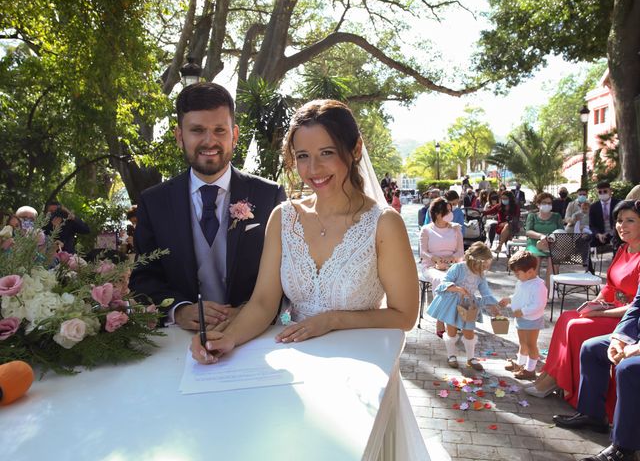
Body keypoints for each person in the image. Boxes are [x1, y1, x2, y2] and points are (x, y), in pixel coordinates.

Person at [190, 99, 418, 364]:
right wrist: (228, 339)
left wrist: (332, 321)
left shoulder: (384, 224)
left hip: (360, 364)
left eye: (327, 153)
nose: (313, 169)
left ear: (355, 149)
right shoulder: (284, 217)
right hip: (296, 361)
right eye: (303, 156)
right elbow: (263, 303)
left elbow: (405, 315)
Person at [129, 82, 286, 329]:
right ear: (180, 137)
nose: (209, 141)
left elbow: (286, 275)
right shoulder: (154, 202)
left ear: (234, 135)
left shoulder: (270, 195)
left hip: (254, 336)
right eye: (197, 130)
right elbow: (144, 278)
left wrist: (253, 310)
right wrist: (178, 311)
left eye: (219, 130)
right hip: (180, 343)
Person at [525, 200, 640, 411]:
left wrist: (603, 312)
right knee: (567, 317)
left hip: (628, 321)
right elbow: (610, 287)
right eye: (619, 221)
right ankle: (553, 377)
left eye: (630, 221)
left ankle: (564, 384)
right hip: (609, 308)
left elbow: (636, 307)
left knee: (576, 327)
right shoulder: (624, 249)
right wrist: (595, 303)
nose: (622, 225)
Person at [552, 284, 640, 461]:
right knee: (591, 348)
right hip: (635, 336)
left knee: (628, 369)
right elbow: (636, 307)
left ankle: (623, 450)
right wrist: (618, 339)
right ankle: (592, 415)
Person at [425, 242, 500, 371]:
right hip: (452, 303)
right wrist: (458, 289)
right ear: (475, 262)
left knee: (469, 331)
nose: (485, 269)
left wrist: (493, 306)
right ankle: (451, 355)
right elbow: (445, 282)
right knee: (452, 330)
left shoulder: (480, 275)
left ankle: (471, 358)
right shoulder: (458, 268)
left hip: (468, 306)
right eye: (484, 265)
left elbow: (485, 291)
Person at [499, 251, 548, 380]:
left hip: (531, 320)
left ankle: (530, 369)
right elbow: (519, 297)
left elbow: (538, 304)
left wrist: (524, 311)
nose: (516, 276)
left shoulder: (539, 286)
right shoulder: (522, 282)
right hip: (521, 318)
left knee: (531, 344)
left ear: (531, 271)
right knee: (522, 343)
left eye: (518, 273)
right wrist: (509, 299)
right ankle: (520, 364)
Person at [420, 197, 464, 338]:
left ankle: (455, 319)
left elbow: (460, 252)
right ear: (438, 214)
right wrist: (436, 259)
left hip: (452, 264)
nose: (451, 214)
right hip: (431, 266)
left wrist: (450, 259)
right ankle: (441, 320)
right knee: (443, 279)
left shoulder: (456, 229)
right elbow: (423, 252)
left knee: (462, 278)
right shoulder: (426, 230)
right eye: (447, 211)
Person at [524, 192, 564, 288]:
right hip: (535, 243)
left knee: (553, 262)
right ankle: (535, 291)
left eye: (549, 203)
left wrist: (551, 239)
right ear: (538, 204)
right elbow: (528, 231)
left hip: (553, 244)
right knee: (534, 260)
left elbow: (561, 231)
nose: (547, 205)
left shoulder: (557, 216)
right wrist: (541, 236)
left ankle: (548, 293)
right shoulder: (532, 216)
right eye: (544, 203)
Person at [590, 180, 621, 248]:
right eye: (600, 192)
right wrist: (598, 234)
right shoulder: (593, 207)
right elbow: (592, 225)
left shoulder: (618, 204)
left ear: (610, 191)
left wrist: (615, 232)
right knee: (586, 240)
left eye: (605, 191)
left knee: (618, 241)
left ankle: (616, 258)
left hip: (616, 233)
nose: (602, 193)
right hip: (601, 235)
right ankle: (587, 259)